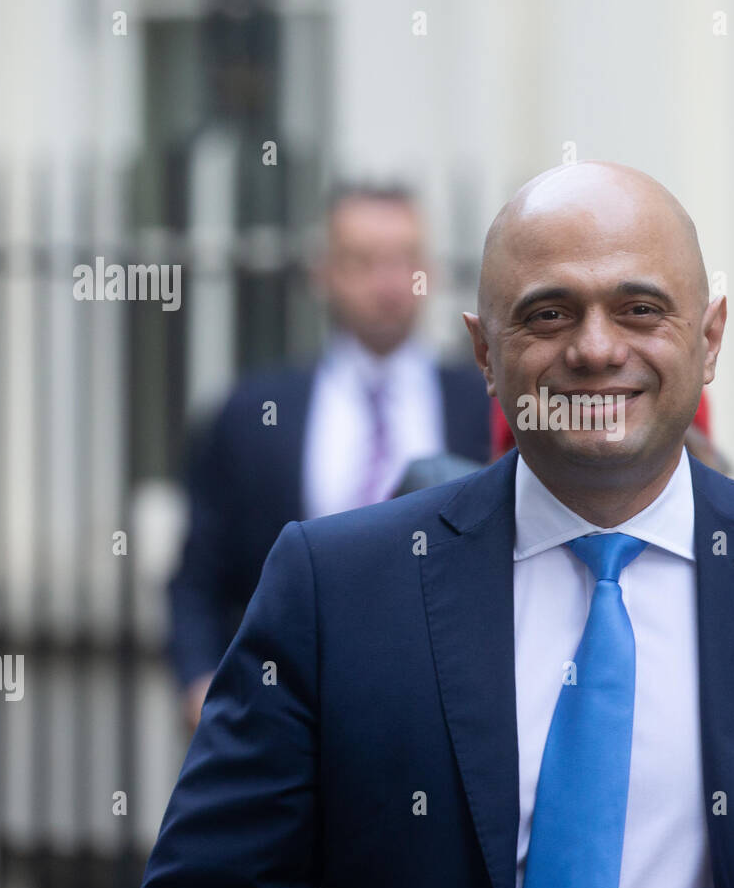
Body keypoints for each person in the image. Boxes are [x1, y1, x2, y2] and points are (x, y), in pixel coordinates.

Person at [142, 161, 734, 888]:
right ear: (484, 353)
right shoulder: (333, 589)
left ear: (710, 339)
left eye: (641, 308)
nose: (596, 348)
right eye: (548, 315)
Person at [167, 183, 491, 730]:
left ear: (429, 272)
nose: (388, 282)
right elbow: (198, 575)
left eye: (403, 260)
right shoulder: (253, 411)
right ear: (324, 272)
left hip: (444, 717)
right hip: (280, 713)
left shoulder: (484, 404)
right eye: (363, 261)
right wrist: (199, 686)